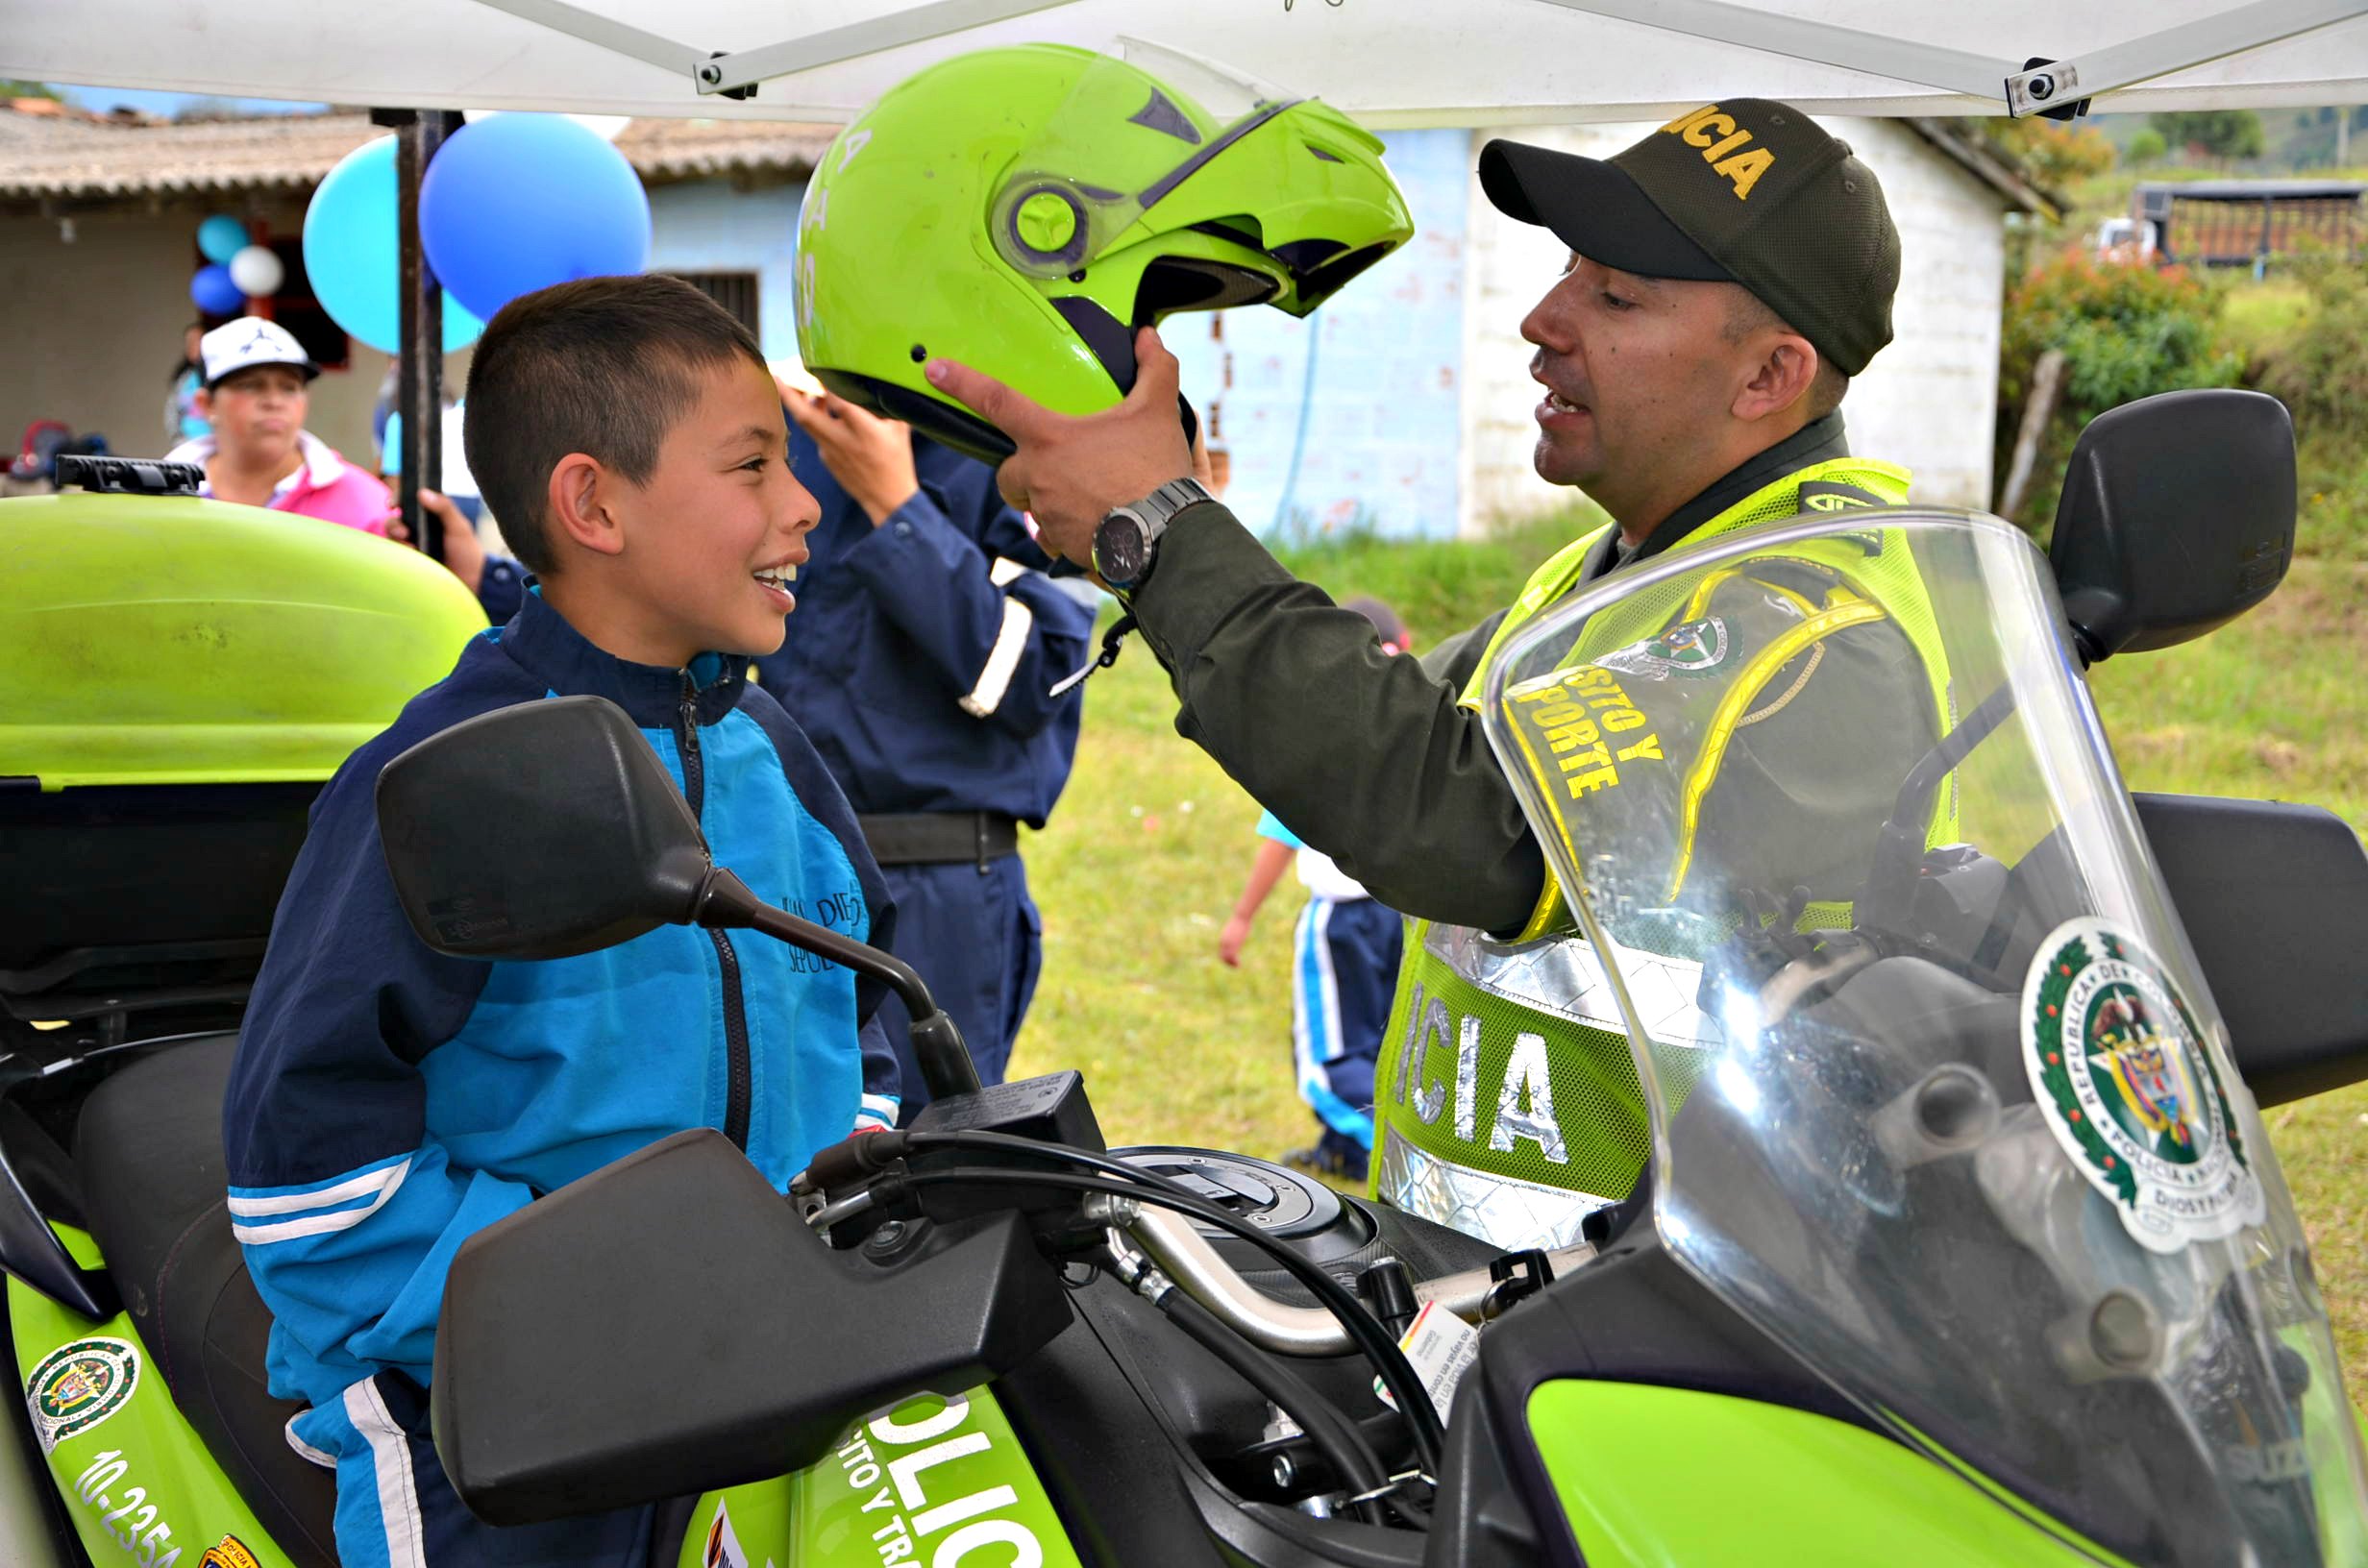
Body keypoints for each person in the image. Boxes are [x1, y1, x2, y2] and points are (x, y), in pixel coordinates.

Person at [927, 101, 1948, 1251]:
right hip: (1513, 1315)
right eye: (1568, 270)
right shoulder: (1608, 576)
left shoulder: (1811, 629)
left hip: (1686, 1336)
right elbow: (1383, 730)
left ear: (1769, 375)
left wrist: (1160, 529)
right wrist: (1152, 516)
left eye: (1614, 297)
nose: (1541, 318)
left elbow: (1460, 819)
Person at [223, 275, 902, 1568]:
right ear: (594, 503)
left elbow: (861, 1039)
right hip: (489, 1429)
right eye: (754, 466)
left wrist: (834, 1224)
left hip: (762, 1382)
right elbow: (306, 1175)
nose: (806, 505)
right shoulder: (436, 786)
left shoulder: (779, 758)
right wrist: (599, 1318)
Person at [753, 379, 1093, 1112]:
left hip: (934, 887)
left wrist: (895, 505)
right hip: (784, 870)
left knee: (929, 1172)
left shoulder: (1023, 455)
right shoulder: (795, 434)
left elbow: (1036, 683)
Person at [1220, 597, 1412, 1180]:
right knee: (1384, 1040)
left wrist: (1242, 916)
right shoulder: (1411, 729)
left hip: (1339, 922)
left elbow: (1282, 838)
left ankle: (1385, 1148)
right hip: (1400, 915)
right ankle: (1345, 1150)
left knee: (1326, 1057)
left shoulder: (1313, 737)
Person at [166, 318, 393, 531]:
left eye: (289, 387)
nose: (274, 402)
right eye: (250, 386)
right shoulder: (161, 494)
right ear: (206, 404)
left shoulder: (364, 501)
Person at [164, 321, 209, 444]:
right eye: (189, 342)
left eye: (198, 340)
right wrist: (177, 438)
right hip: (186, 444)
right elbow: (173, 409)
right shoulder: (183, 378)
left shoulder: (217, 373)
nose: (193, 346)